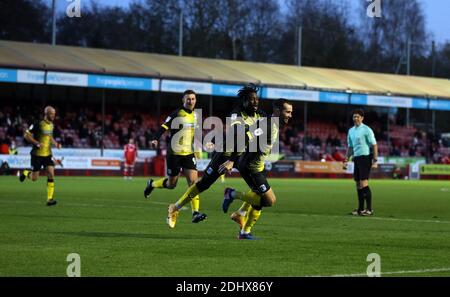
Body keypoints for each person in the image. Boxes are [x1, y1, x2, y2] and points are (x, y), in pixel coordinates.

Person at [166, 84, 264, 229]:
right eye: (251, 99)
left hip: (244, 156)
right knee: (204, 184)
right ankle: (175, 207)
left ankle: (240, 214)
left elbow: (270, 126)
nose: (255, 102)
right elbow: (239, 134)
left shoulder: (261, 115)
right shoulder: (236, 114)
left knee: (259, 188)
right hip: (227, 155)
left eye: (256, 99)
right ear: (243, 101)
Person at [222, 99, 293, 239]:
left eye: (291, 112)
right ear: (278, 111)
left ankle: (243, 226)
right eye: (288, 112)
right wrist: (232, 160)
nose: (290, 115)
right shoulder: (267, 125)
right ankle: (231, 194)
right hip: (250, 167)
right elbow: (244, 138)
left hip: (256, 167)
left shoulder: (272, 123)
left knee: (258, 199)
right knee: (269, 200)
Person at [143, 90, 207, 224]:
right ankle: (152, 184)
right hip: (174, 154)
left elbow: (197, 133)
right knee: (172, 184)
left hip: (189, 153)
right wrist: (155, 139)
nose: (191, 101)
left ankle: (195, 213)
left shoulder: (196, 116)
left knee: (194, 184)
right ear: (183, 100)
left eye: (193, 99)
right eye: (188, 99)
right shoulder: (177, 113)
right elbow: (163, 126)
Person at [19, 106, 62, 206]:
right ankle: (26, 172)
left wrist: (56, 144)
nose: (54, 116)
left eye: (54, 114)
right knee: (34, 178)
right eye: (52, 114)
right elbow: (26, 135)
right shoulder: (37, 124)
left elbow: (50, 137)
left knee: (51, 173)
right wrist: (36, 143)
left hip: (47, 154)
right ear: (46, 113)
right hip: (37, 154)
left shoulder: (51, 125)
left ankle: (49, 199)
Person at [343, 109, 378, 216]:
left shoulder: (367, 130)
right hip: (357, 158)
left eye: (358, 116)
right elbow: (350, 147)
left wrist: (375, 160)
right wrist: (346, 159)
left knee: (364, 183)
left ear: (362, 118)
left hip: (365, 157)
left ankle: (369, 209)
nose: (356, 118)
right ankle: (360, 209)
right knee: (358, 184)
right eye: (354, 117)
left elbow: (374, 145)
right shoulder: (351, 131)